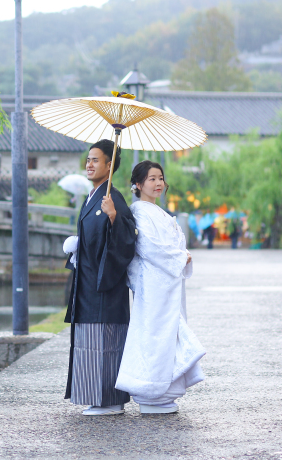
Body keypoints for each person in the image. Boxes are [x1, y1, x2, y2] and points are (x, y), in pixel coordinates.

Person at [116, 160, 206, 414]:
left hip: (168, 283)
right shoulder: (139, 212)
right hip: (154, 284)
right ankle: (149, 389)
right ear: (137, 184)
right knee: (154, 334)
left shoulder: (159, 212)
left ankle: (165, 390)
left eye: (160, 178)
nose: (158, 183)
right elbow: (148, 247)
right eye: (151, 178)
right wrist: (180, 257)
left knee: (167, 334)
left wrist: (181, 254)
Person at [62, 139, 137, 416]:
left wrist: (115, 216)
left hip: (105, 287)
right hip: (88, 286)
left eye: (96, 160)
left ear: (110, 165)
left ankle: (110, 400)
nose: (89, 164)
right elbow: (94, 238)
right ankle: (98, 397)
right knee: (89, 344)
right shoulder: (93, 196)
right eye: (88, 160)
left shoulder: (112, 199)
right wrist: (78, 245)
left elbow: (128, 239)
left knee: (106, 344)